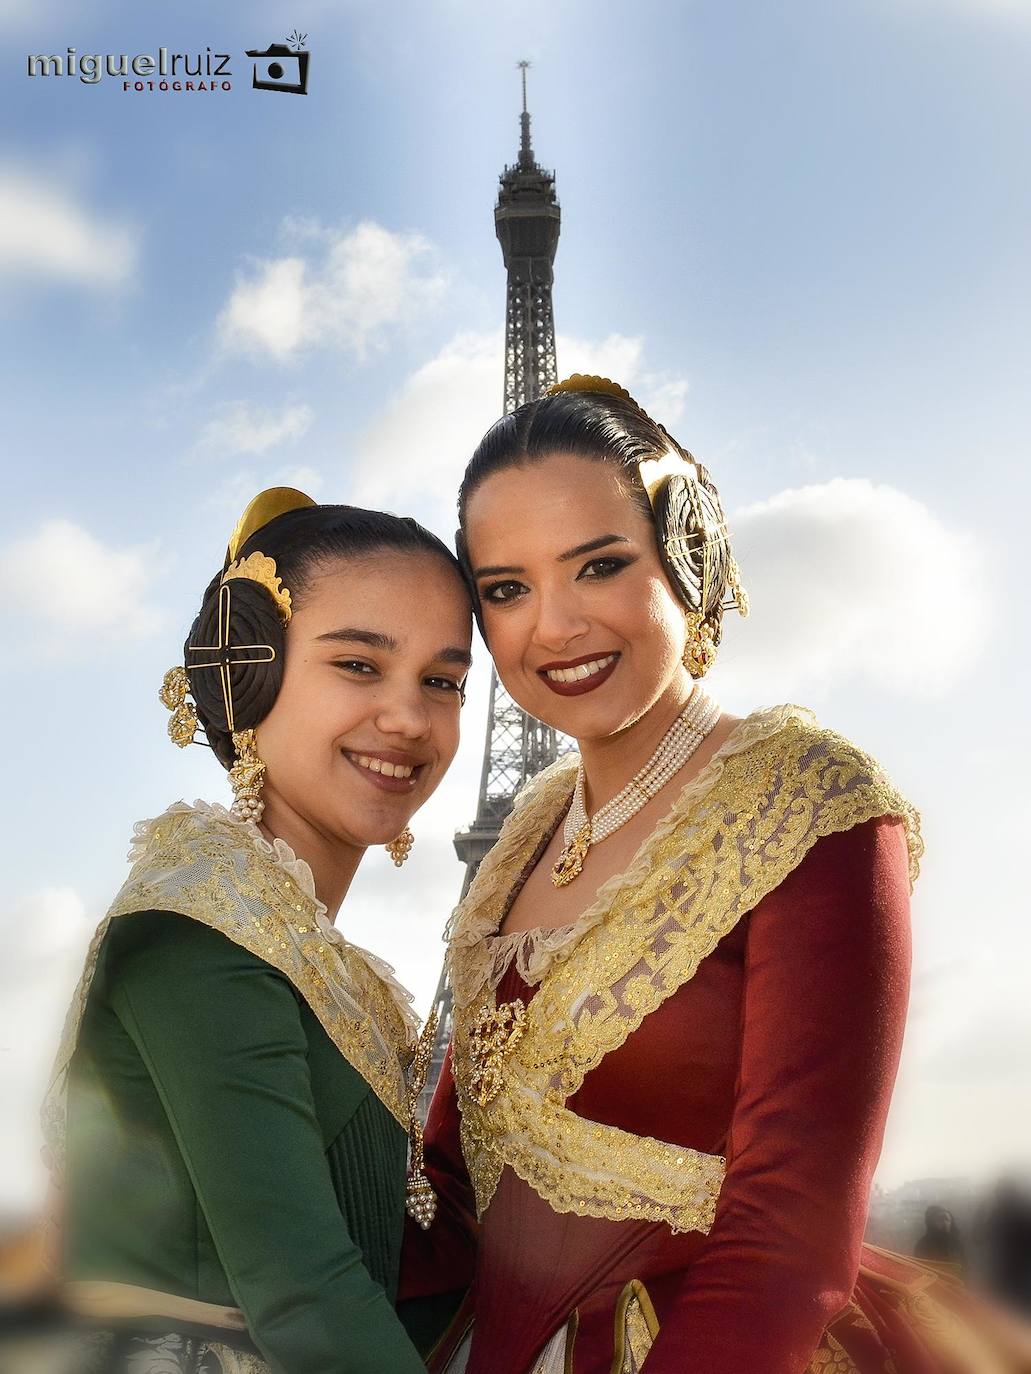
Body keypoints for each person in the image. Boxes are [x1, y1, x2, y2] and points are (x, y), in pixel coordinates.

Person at [401, 379, 1028, 1373]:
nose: (551, 626)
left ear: (683, 555)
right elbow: (450, 1187)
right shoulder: (519, 839)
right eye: (505, 589)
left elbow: (787, 1229)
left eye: (596, 566)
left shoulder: (810, 803)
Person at [43, 489, 473, 1374]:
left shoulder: (301, 951)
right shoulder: (199, 940)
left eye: (442, 681)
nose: (408, 717)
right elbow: (305, 1294)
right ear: (250, 674)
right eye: (358, 664)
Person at [915, 1207, 967, 1277]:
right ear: (933, 1222)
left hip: (956, 1283)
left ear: (951, 1223)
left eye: (947, 1219)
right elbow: (920, 1269)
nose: (944, 1222)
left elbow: (965, 1266)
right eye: (940, 1219)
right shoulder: (923, 1243)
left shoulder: (956, 1243)